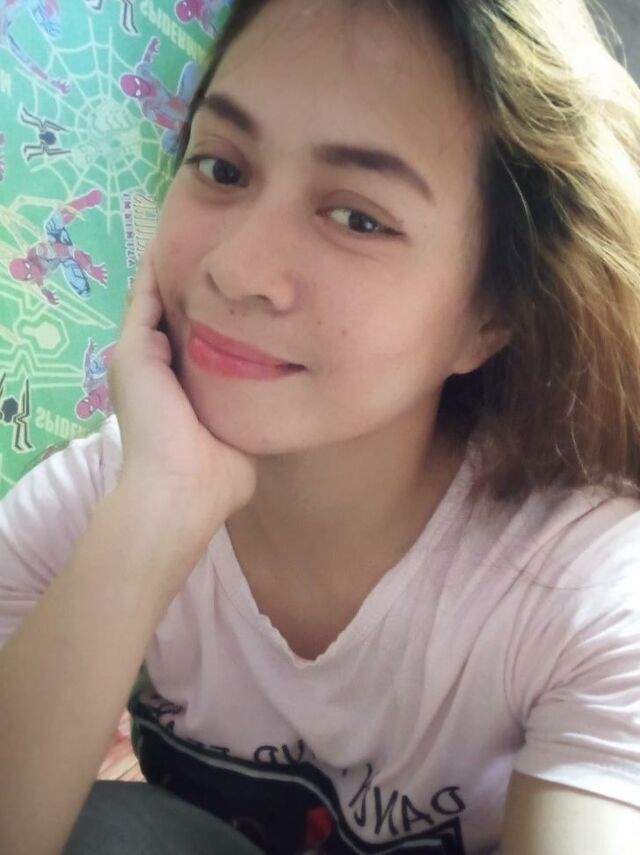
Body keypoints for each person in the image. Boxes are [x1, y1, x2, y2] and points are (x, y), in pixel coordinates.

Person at [1, 0, 640, 853]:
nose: (236, 268)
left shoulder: (583, 586)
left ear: (491, 315)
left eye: (358, 218)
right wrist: (156, 510)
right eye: (222, 168)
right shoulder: (99, 504)